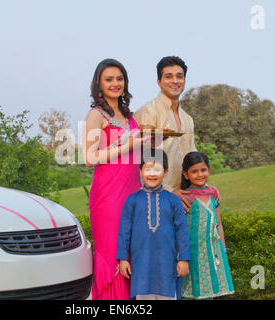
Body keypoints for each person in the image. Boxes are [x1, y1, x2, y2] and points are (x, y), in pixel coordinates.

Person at [82, 58, 146, 300]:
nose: (115, 83)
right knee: (112, 254)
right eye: (109, 79)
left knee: (130, 252)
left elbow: (136, 154)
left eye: (119, 78)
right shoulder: (96, 115)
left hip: (133, 191)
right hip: (108, 196)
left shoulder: (128, 115)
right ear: (99, 83)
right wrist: (126, 145)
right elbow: (89, 157)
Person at [117, 149, 190, 300]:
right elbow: (124, 232)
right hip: (141, 264)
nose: (152, 174)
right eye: (148, 168)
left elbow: (182, 231)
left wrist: (183, 259)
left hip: (167, 264)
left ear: (166, 172)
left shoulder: (173, 201)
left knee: (168, 293)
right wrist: (123, 259)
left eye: (157, 169)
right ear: (140, 171)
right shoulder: (132, 201)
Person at [134, 56, 198, 210]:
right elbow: (144, 159)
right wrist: (169, 192)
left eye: (179, 76)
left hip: (184, 198)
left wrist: (204, 188)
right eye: (168, 76)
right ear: (159, 82)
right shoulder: (149, 112)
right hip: (156, 197)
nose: (175, 81)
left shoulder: (187, 119)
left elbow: (193, 157)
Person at [180, 151, 234, 299]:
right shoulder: (185, 196)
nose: (200, 174)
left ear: (209, 170)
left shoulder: (213, 194)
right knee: (192, 287)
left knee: (209, 288)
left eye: (203, 170)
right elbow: (180, 228)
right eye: (194, 171)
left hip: (212, 248)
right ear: (186, 174)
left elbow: (219, 224)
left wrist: (222, 248)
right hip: (193, 251)